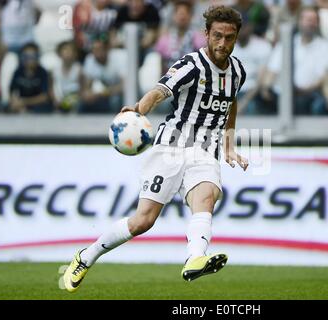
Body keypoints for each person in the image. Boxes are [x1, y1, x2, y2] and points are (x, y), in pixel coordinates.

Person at [63, 5, 248, 292]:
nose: (223, 43)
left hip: (204, 150)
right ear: (206, 34)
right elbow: (161, 90)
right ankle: (86, 257)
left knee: (206, 198)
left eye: (230, 37)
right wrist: (139, 109)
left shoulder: (237, 71)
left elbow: (231, 102)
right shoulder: (191, 65)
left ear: (237, 38)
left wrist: (229, 144)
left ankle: (195, 259)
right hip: (171, 146)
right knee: (143, 221)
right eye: (217, 36)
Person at [264, 6, 328, 115]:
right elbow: (272, 70)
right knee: (263, 100)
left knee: (305, 102)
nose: (311, 23)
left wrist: (304, 90)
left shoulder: (325, 46)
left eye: (314, 20)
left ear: (318, 24)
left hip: (310, 94)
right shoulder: (286, 43)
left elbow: (324, 77)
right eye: (308, 20)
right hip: (283, 93)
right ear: (300, 22)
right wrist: (266, 88)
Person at [80, 34, 124, 113]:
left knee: (115, 100)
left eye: (99, 49)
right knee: (83, 102)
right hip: (102, 94)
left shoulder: (120, 56)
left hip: (119, 94)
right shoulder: (90, 59)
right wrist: (88, 93)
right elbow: (87, 85)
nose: (96, 52)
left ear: (107, 49)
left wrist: (103, 93)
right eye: (94, 49)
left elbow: (125, 85)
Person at [8, 42, 53, 113]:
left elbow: (44, 97)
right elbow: (12, 92)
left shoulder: (43, 72)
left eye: (33, 56)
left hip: (39, 106)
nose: (30, 60)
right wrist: (15, 102)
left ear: (38, 57)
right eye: (27, 56)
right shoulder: (18, 72)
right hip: (21, 106)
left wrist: (24, 102)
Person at [52, 41, 84, 113]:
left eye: (70, 50)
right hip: (60, 98)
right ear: (59, 53)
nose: (67, 52)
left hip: (75, 99)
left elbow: (82, 90)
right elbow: (52, 88)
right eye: (65, 50)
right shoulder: (54, 70)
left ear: (75, 54)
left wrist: (72, 100)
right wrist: (55, 99)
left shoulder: (79, 69)